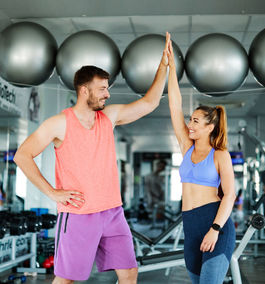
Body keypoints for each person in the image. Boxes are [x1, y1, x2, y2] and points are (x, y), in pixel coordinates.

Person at [13, 32, 171, 284]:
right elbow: (22, 156)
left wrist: (163, 66)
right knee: (67, 279)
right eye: (102, 89)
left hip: (112, 212)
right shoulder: (59, 124)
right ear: (84, 90)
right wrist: (52, 192)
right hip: (78, 215)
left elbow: (150, 103)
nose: (107, 94)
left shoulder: (108, 117)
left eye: (107, 88)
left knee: (129, 272)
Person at [167, 40, 236, 284]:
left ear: (210, 127)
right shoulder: (187, 148)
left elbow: (229, 195)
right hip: (190, 227)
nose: (190, 124)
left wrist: (215, 229)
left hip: (215, 224)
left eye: (196, 121)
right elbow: (174, 106)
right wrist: (171, 70)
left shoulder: (220, 155)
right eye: (191, 119)